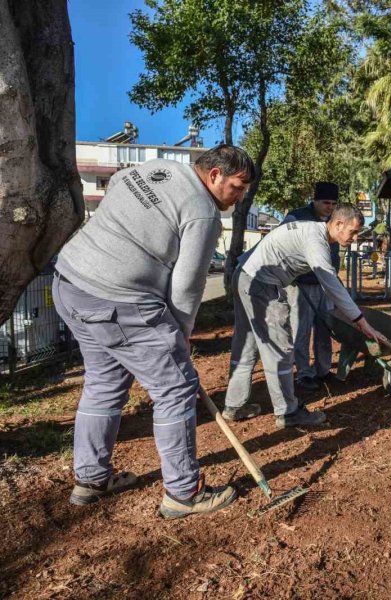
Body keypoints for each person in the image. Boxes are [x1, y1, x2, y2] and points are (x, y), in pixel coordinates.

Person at [52, 144, 255, 519]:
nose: (240, 197)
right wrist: (178, 335)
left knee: (103, 382)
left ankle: (91, 480)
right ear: (215, 176)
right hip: (119, 300)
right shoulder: (203, 211)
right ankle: (183, 493)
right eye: (238, 187)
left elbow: (117, 187)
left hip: (70, 281)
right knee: (176, 387)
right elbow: (189, 284)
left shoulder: (157, 167)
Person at [223, 203, 385, 427]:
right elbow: (331, 284)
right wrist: (361, 322)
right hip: (261, 283)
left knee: (247, 343)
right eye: (353, 231)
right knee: (279, 348)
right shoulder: (316, 241)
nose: (355, 238)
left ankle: (234, 404)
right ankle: (288, 412)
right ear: (338, 224)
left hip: (244, 275)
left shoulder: (310, 230)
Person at [281, 183, 340, 392]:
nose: (329, 207)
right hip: (301, 285)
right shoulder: (297, 218)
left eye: (333, 203)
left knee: (325, 328)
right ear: (315, 200)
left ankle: (323, 369)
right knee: (301, 330)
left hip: (325, 285)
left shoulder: (335, 221)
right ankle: (304, 373)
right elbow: (282, 247)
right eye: (325, 202)